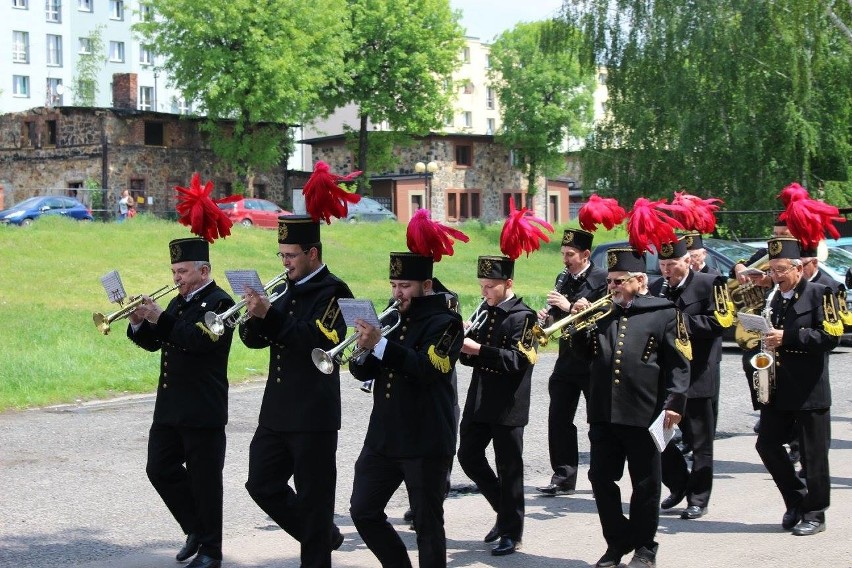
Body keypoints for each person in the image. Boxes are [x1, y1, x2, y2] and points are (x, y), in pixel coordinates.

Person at [240, 215, 353, 568]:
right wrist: (253, 317)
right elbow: (254, 341)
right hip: (275, 411)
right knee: (260, 483)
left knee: (314, 498)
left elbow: (316, 342)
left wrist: (270, 314)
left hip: (313, 415)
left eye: (291, 255)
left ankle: (318, 542)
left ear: (312, 253)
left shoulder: (334, 292)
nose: (285, 262)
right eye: (282, 256)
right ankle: (323, 534)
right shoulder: (284, 289)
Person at [570, 247, 690, 568]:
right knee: (600, 478)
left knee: (646, 484)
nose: (612, 287)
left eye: (619, 281)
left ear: (639, 280)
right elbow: (584, 355)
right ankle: (618, 540)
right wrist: (579, 322)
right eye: (609, 281)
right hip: (603, 413)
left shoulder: (664, 312)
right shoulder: (602, 312)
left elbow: (680, 364)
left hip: (644, 413)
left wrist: (675, 402)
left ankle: (645, 547)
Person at [349, 251, 464, 568]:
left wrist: (381, 346)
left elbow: (428, 369)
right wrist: (361, 351)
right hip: (383, 438)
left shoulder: (446, 323)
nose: (397, 293)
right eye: (394, 284)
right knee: (362, 511)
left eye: (405, 285)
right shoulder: (392, 316)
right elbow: (364, 373)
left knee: (427, 525)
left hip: (424, 440)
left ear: (426, 285)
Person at [126, 237, 235, 568]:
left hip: (203, 409)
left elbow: (200, 341)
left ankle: (212, 550)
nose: (177, 278)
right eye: (174, 271)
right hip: (171, 407)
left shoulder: (221, 303)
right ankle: (196, 530)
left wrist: (160, 316)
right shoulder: (177, 304)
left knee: (205, 482)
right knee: (158, 468)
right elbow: (155, 343)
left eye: (183, 271)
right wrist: (138, 322)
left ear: (204, 270)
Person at [751, 236, 839, 536]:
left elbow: (829, 338)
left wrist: (787, 337)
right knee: (766, 444)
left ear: (798, 268)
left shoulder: (821, 293)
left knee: (814, 456)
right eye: (772, 270)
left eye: (781, 270)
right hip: (779, 388)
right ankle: (796, 499)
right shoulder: (774, 296)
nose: (775, 276)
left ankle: (816, 513)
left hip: (809, 390)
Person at [457, 255, 538, 556]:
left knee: (509, 469)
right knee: (468, 456)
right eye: (481, 286)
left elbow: (518, 361)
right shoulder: (485, 311)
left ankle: (512, 532)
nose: (484, 293)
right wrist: (462, 342)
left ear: (508, 284)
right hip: (479, 400)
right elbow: (469, 358)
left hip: (508, 405)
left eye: (490, 287)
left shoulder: (524, 317)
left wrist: (478, 349)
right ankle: (504, 512)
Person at [649, 238, 725, 520]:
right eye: (664, 265)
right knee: (658, 436)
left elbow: (720, 322)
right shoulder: (657, 287)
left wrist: (679, 323)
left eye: (673, 264)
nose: (668, 270)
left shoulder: (710, 283)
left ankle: (699, 498)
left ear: (688, 261)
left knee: (699, 440)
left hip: (698, 374)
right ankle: (679, 484)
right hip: (664, 376)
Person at [536, 228, 608, 496]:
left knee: (597, 420)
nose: (565, 259)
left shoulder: (602, 279)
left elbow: (600, 317)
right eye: (563, 254)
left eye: (570, 255)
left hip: (593, 360)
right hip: (566, 360)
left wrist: (567, 306)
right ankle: (563, 476)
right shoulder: (563, 277)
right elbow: (558, 317)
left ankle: (601, 473)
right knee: (559, 419)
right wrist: (547, 317)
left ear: (586, 254)